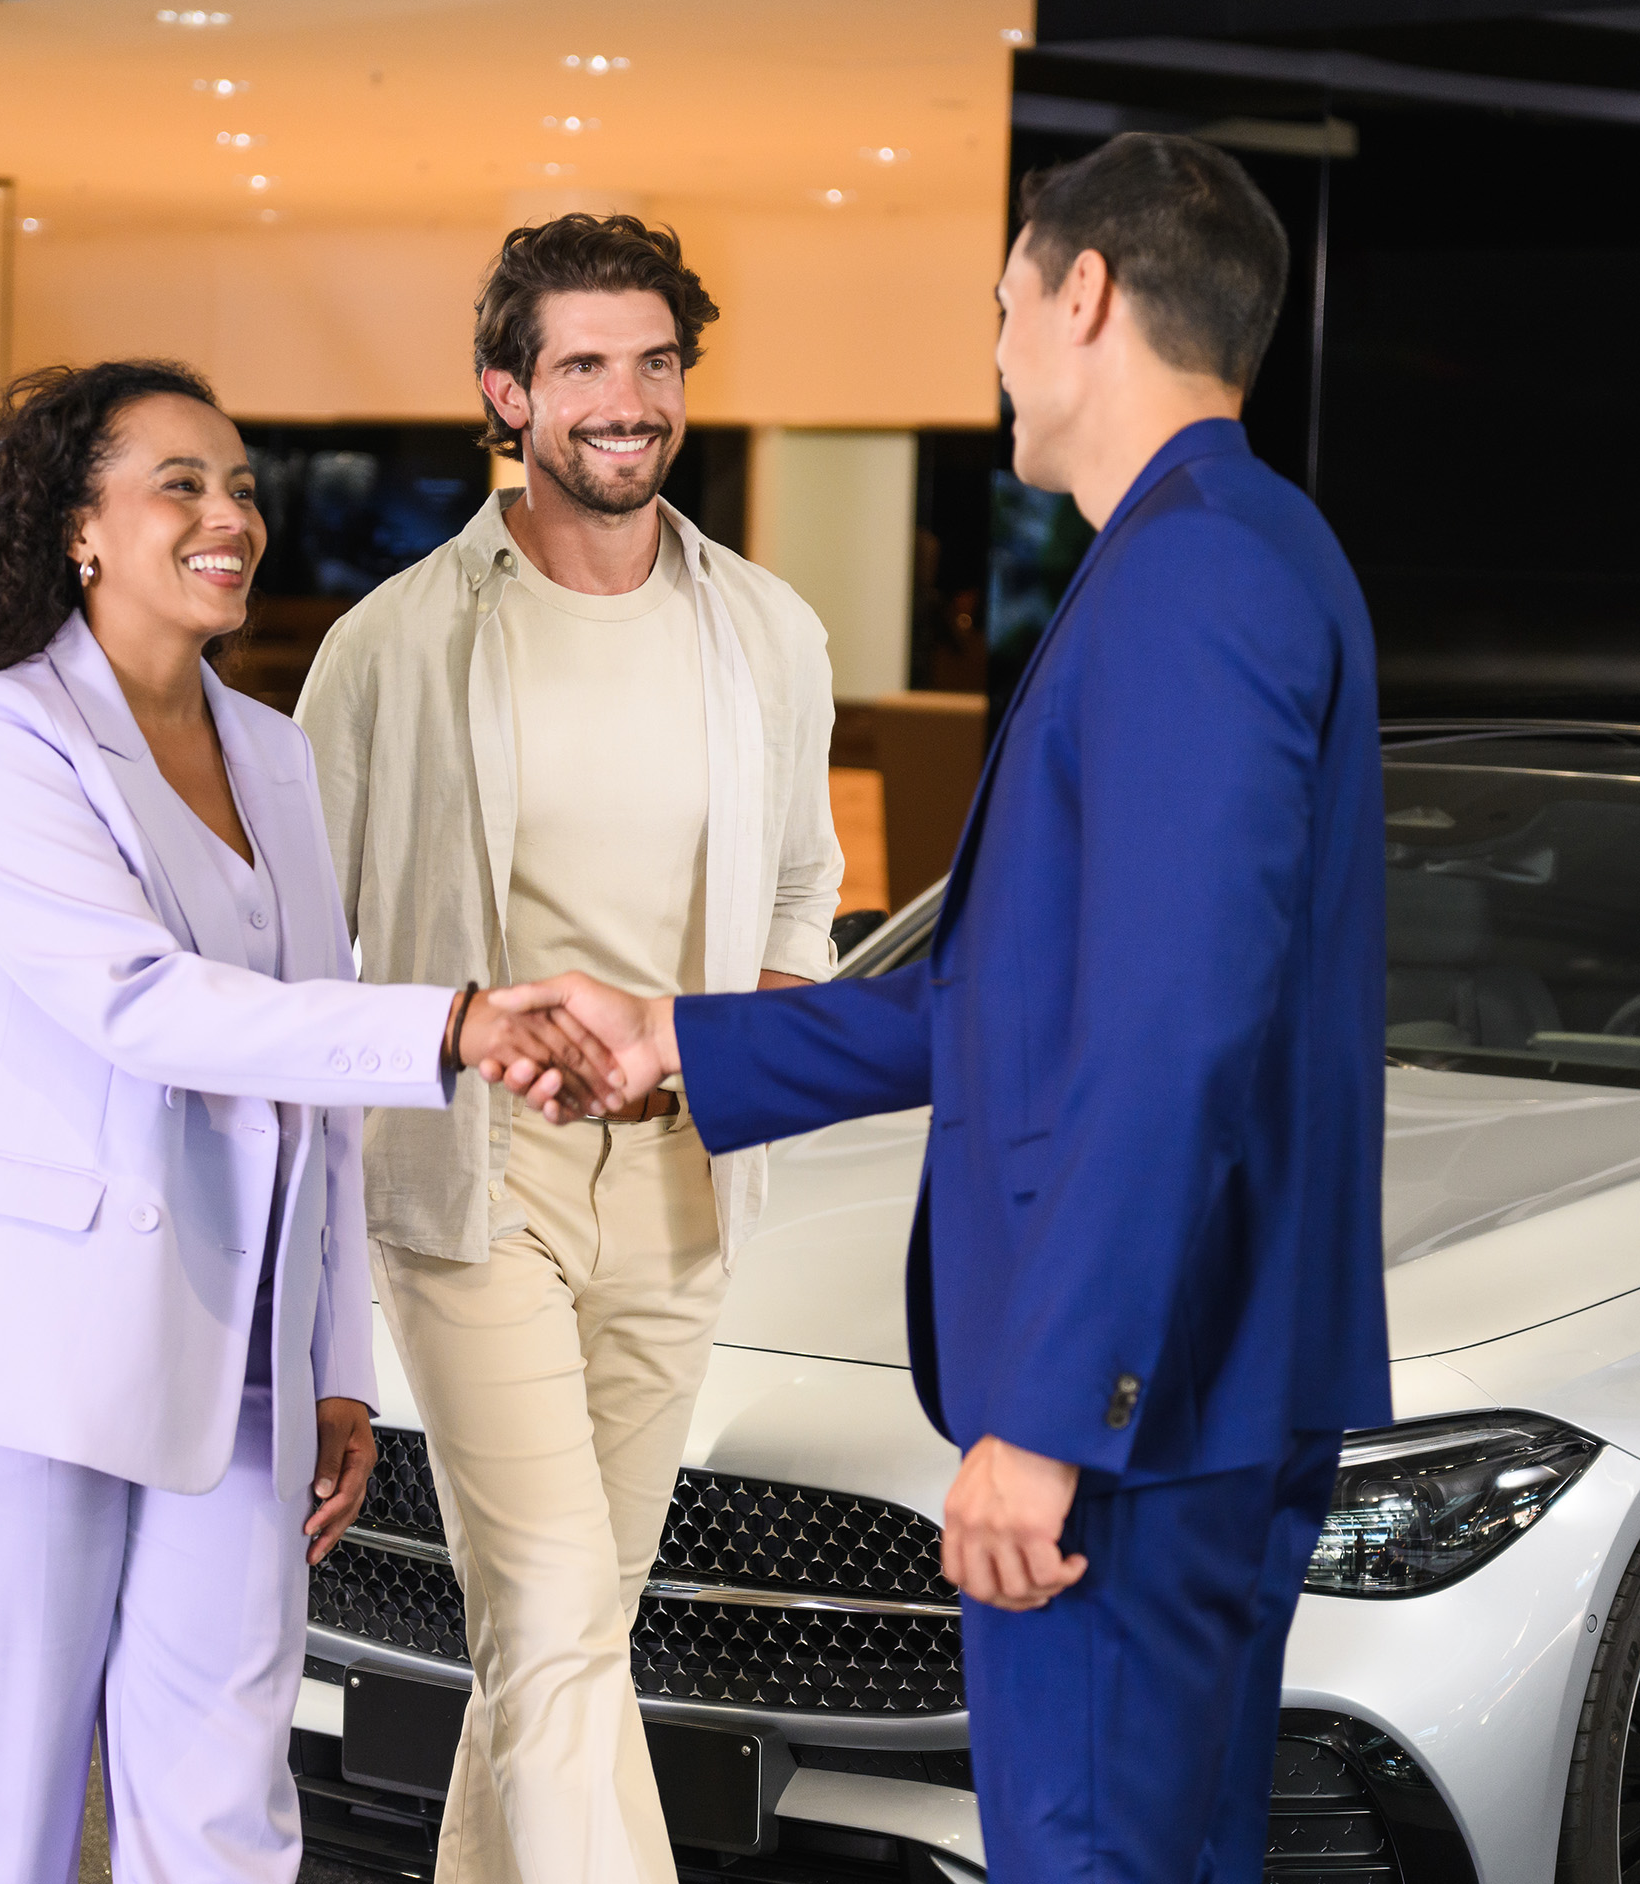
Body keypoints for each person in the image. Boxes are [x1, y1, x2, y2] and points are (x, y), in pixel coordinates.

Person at [492, 135, 1391, 1883]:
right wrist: (684, 1038)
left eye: (999, 306)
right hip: (1198, 1406)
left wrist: (1052, 1415)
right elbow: (1013, 1002)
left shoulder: (1192, 578)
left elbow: (1168, 1036)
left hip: (1145, 1426)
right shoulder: (1241, 547)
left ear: (1084, 294)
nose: (990, 354)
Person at [0, 360, 600, 1884]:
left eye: (242, 484)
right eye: (178, 484)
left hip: (238, 1378)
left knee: (226, 1807)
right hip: (18, 1354)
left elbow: (308, 1090)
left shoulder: (273, 751)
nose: (229, 516)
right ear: (79, 529)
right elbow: (140, 1001)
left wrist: (329, 1365)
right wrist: (447, 1019)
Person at [294, 214, 841, 1884]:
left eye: (656, 362)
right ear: (506, 393)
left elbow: (805, 885)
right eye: (586, 364)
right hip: (477, 1185)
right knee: (547, 1617)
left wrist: (708, 1044)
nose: (627, 397)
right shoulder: (398, 640)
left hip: (681, 1185)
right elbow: (311, 957)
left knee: (571, 1635)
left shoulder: (766, 630)